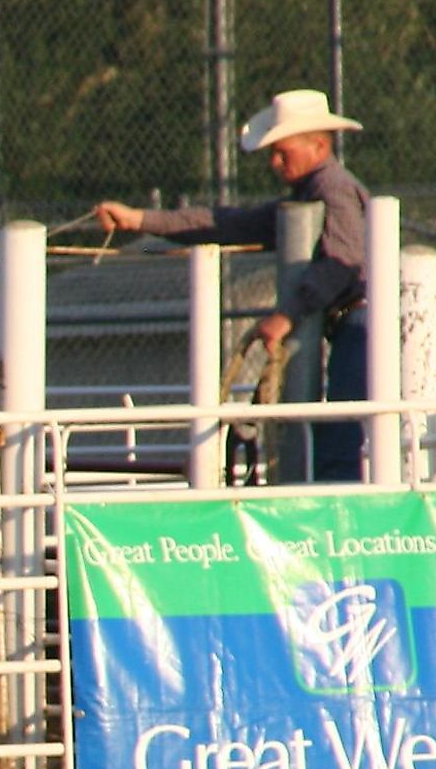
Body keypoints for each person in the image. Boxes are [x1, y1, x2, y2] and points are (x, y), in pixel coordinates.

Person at [95, 88, 373, 484]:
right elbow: (225, 223)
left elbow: (342, 262)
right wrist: (140, 219)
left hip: (360, 323)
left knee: (338, 441)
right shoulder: (314, 194)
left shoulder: (333, 190)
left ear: (318, 144)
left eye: (283, 152)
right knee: (335, 435)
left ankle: (337, 528)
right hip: (352, 325)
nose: (276, 163)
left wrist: (286, 315)